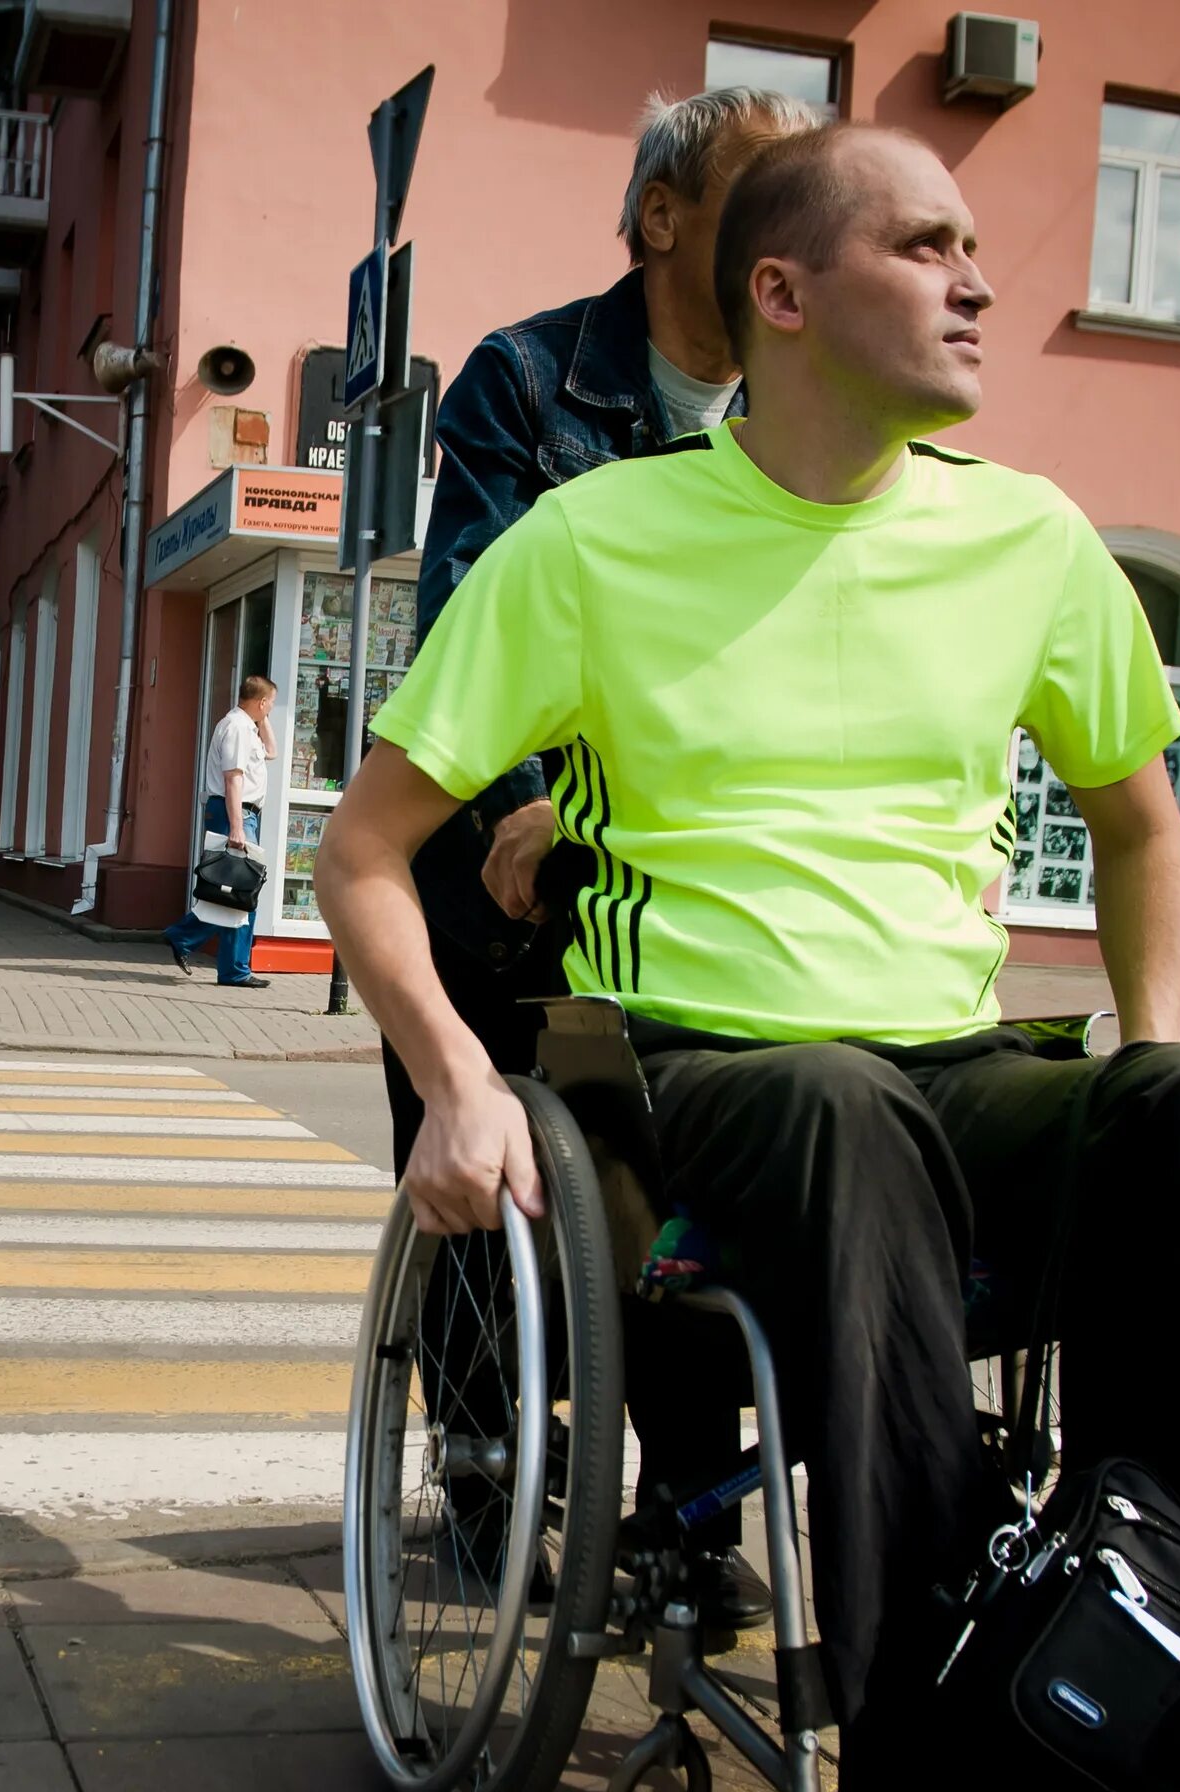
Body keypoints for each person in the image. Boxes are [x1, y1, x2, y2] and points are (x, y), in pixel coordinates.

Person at [316, 122, 1180, 1792]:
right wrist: (461, 1086)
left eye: (977, 247)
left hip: (951, 1065)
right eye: (929, 244)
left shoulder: (1026, 539)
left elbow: (1141, 827)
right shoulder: (592, 543)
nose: (981, 279)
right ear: (783, 294)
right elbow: (369, 847)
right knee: (833, 1100)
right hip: (708, 1074)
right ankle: (969, 1784)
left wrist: (1150, 1049)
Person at [401, 82, 823, 1634]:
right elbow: (471, 609)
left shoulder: (809, 408)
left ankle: (691, 1504)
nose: (804, 234)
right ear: (663, 217)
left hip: (682, 872)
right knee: (487, 1165)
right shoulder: (528, 380)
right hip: (506, 863)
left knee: (688, 1176)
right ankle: (487, 1448)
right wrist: (515, 797)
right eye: (770, 195)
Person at [160, 672, 277, 989]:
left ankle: (227, 965)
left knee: (235, 891)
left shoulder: (246, 726)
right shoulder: (237, 728)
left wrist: (262, 718)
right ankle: (218, 958)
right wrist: (237, 825)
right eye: (270, 705)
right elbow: (233, 779)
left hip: (239, 814)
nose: (270, 711)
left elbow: (271, 751)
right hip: (234, 813)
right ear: (262, 702)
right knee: (240, 891)